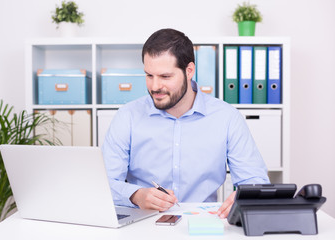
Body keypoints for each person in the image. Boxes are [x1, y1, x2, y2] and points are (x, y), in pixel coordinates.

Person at [102, 28, 269, 218]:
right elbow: (103, 183)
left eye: (165, 76)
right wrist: (135, 195)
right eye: (149, 75)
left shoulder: (227, 118)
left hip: (204, 223)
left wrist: (243, 197)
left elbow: (256, 180)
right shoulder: (127, 117)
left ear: (189, 71)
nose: (155, 86)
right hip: (142, 224)